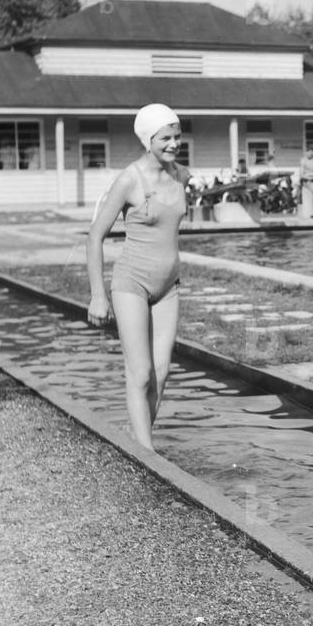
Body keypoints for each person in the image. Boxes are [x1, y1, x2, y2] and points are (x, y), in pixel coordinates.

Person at [86, 104, 190, 451]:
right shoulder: (130, 179)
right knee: (141, 372)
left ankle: (141, 443)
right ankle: (148, 457)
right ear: (148, 139)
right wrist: (98, 295)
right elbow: (95, 235)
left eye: (177, 136)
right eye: (166, 138)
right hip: (131, 282)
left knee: (162, 372)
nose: (174, 143)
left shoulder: (181, 176)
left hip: (168, 286)